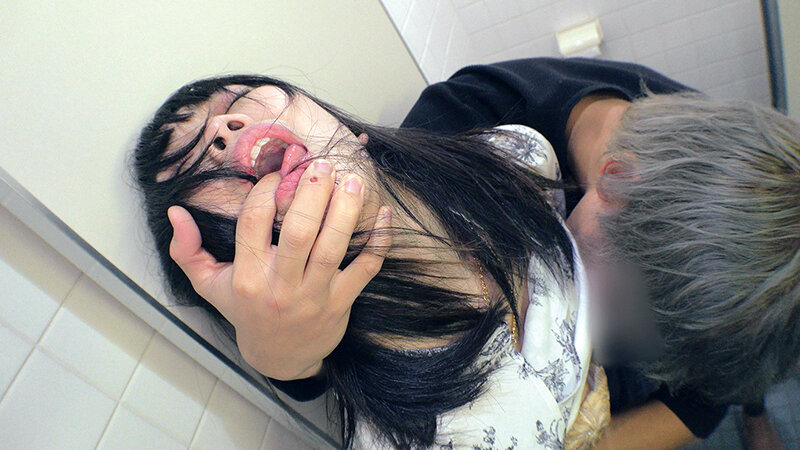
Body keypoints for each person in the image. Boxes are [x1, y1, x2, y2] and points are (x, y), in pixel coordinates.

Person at [133, 75, 605, 448]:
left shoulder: (519, 156)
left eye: (237, 100)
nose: (222, 129)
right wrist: (281, 359)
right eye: (191, 168)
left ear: (345, 128)